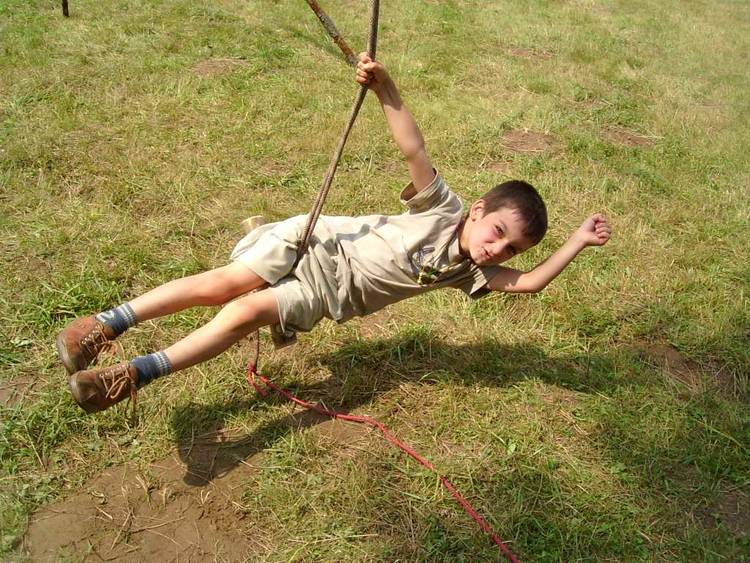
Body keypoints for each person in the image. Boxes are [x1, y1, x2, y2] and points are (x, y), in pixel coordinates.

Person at [57, 54, 612, 413]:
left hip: (327, 293)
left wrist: (576, 242)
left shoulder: (470, 273)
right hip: (315, 241)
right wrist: (386, 87)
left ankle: (132, 375)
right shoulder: (444, 209)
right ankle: (103, 326)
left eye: (510, 248)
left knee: (244, 312)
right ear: (480, 210)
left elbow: (530, 283)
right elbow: (413, 147)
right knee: (223, 284)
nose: (497, 249)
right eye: (497, 232)